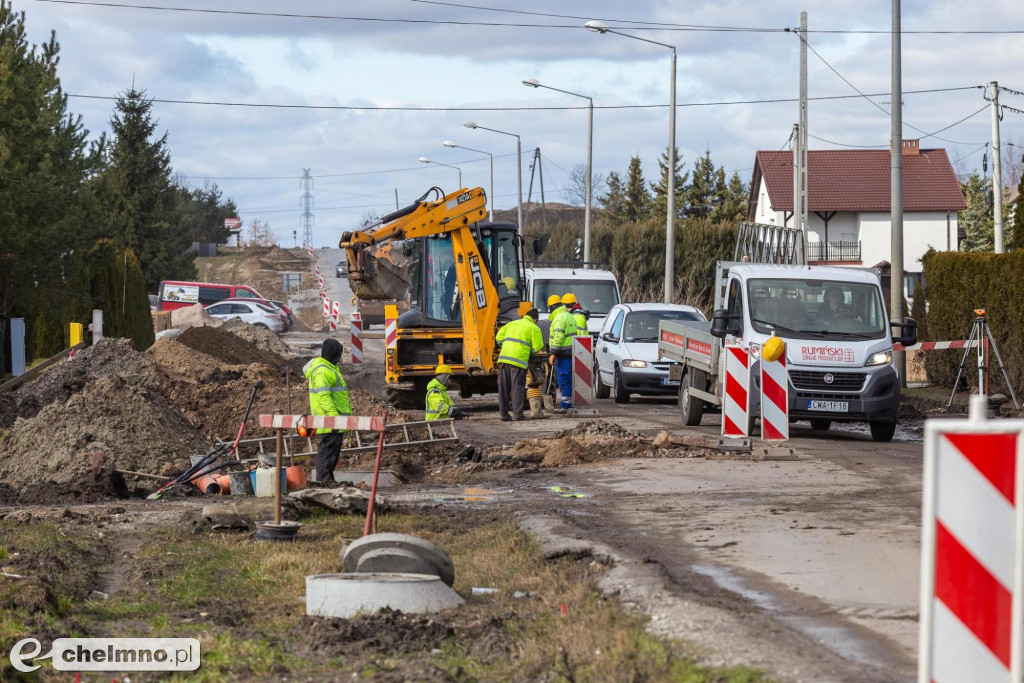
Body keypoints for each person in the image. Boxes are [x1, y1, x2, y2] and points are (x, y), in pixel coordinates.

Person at [304, 338, 351, 487]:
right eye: (339, 354)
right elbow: (324, 398)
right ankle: (324, 481)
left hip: (333, 421)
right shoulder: (322, 371)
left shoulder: (330, 368)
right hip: (329, 421)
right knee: (327, 452)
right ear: (333, 354)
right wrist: (334, 419)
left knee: (331, 454)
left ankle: (327, 480)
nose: (340, 357)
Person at [495, 309, 544, 421]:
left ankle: (504, 415)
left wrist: (507, 346)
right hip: (518, 362)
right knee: (517, 388)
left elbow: (498, 338)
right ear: (535, 320)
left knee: (503, 388)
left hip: (503, 360)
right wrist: (529, 351)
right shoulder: (534, 328)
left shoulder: (510, 324)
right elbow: (538, 347)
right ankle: (518, 415)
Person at [549, 293, 579, 411]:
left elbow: (559, 337)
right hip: (570, 353)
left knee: (564, 380)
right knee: (568, 380)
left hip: (562, 354)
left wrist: (553, 353)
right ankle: (568, 404)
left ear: (552, 308)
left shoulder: (559, 318)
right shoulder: (570, 316)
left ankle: (565, 406)